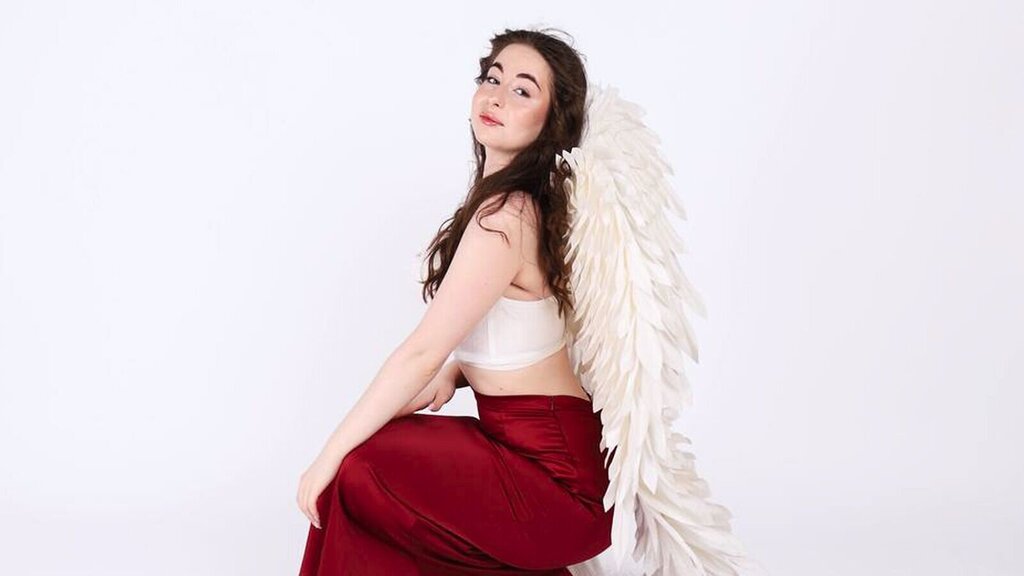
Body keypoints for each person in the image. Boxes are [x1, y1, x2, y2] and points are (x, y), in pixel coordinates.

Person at [296, 28, 613, 575]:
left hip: (558, 478)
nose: (496, 97)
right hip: (520, 446)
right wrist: (459, 371)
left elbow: (420, 352)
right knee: (375, 465)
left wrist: (324, 459)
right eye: (492, 79)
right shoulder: (506, 206)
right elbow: (525, 332)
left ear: (550, 120)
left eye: (522, 90)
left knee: (356, 471)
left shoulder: (506, 218)